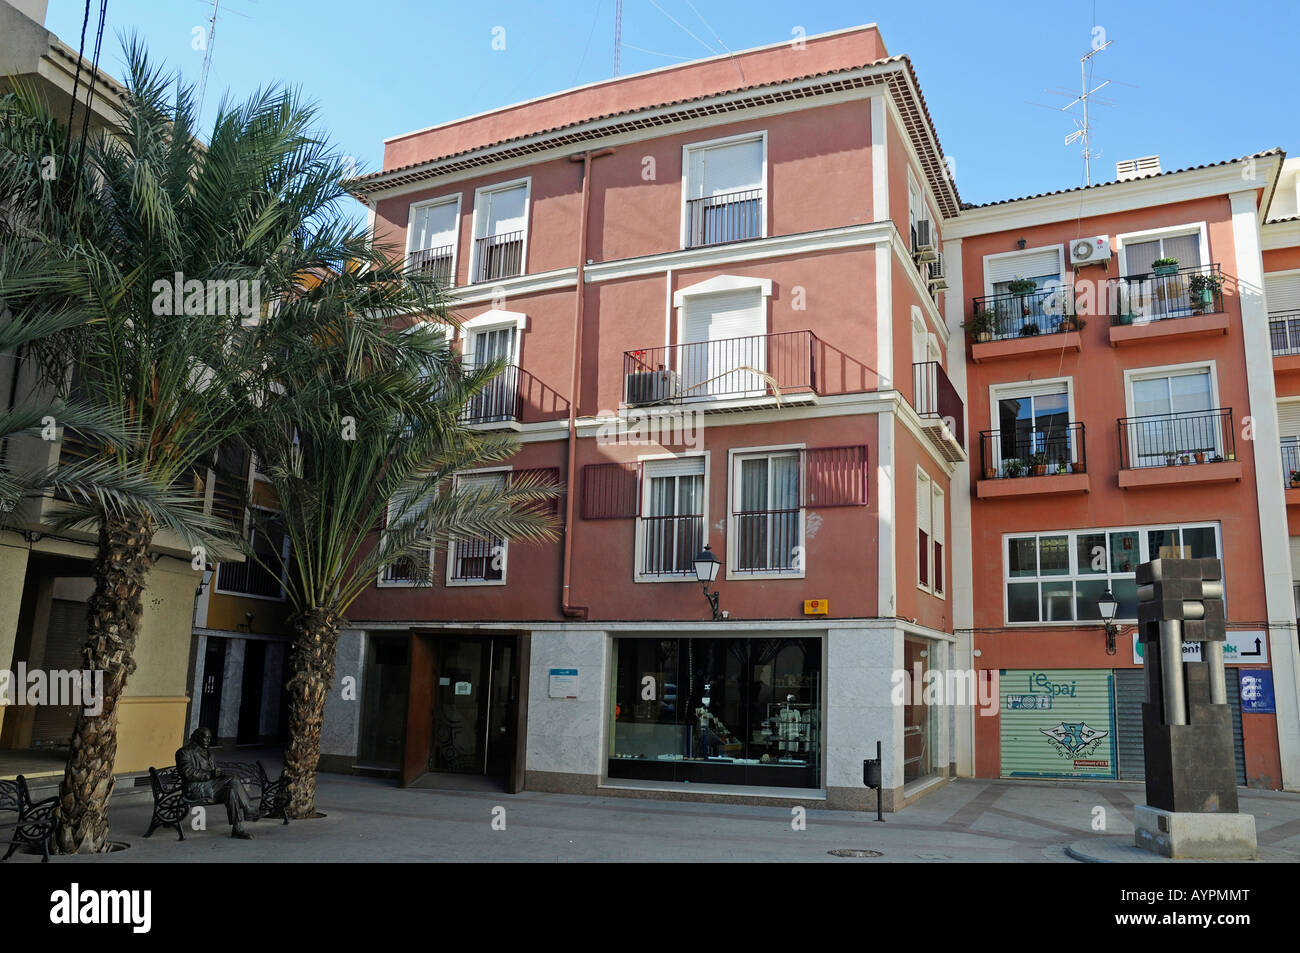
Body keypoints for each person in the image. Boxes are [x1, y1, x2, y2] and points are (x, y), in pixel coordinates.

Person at [175, 728, 257, 839]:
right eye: (205, 737)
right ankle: (248, 809)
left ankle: (237, 829)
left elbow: (213, 773)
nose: (208, 740)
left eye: (209, 738)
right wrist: (210, 774)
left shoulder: (209, 753)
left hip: (211, 787)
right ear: (197, 737)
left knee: (231, 790)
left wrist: (218, 774)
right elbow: (187, 773)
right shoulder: (184, 752)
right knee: (233, 779)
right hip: (195, 789)